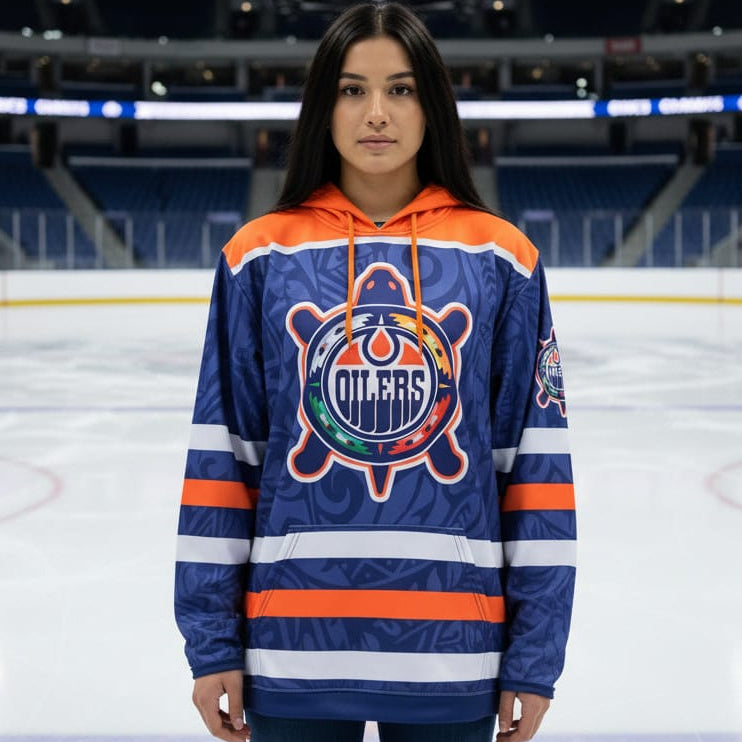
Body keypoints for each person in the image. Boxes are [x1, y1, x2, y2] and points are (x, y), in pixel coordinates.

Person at [174, 3, 576, 741]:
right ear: (322, 106)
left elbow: (534, 467)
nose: (377, 113)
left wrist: (535, 654)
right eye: (352, 90)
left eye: (402, 88)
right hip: (289, 652)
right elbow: (223, 459)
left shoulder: (503, 259)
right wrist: (212, 643)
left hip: (454, 653)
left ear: (433, 105)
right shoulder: (259, 257)